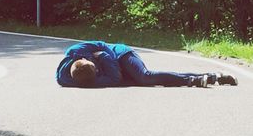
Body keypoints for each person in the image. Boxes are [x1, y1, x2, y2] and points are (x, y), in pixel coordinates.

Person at [56, 41, 238, 88]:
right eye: (97, 73)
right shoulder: (78, 79)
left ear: (85, 59)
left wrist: (105, 57)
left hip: (120, 54)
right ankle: (207, 78)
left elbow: (103, 46)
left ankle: (198, 78)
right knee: (143, 81)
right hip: (114, 67)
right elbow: (114, 79)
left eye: (95, 67)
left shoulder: (76, 50)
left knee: (145, 76)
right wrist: (106, 65)